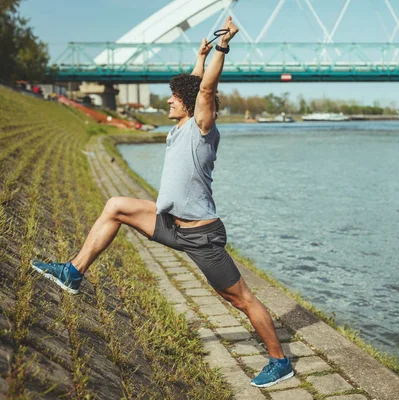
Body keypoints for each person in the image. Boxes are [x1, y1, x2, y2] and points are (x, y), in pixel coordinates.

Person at [31, 17, 294, 388]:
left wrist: (222, 48)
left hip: (201, 236)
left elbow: (203, 92)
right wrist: (199, 56)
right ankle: (73, 272)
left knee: (241, 300)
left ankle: (280, 361)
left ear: (189, 105)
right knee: (116, 206)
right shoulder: (179, 125)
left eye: (174, 98)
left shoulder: (201, 128)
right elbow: (191, 86)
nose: (168, 100)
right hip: (169, 224)